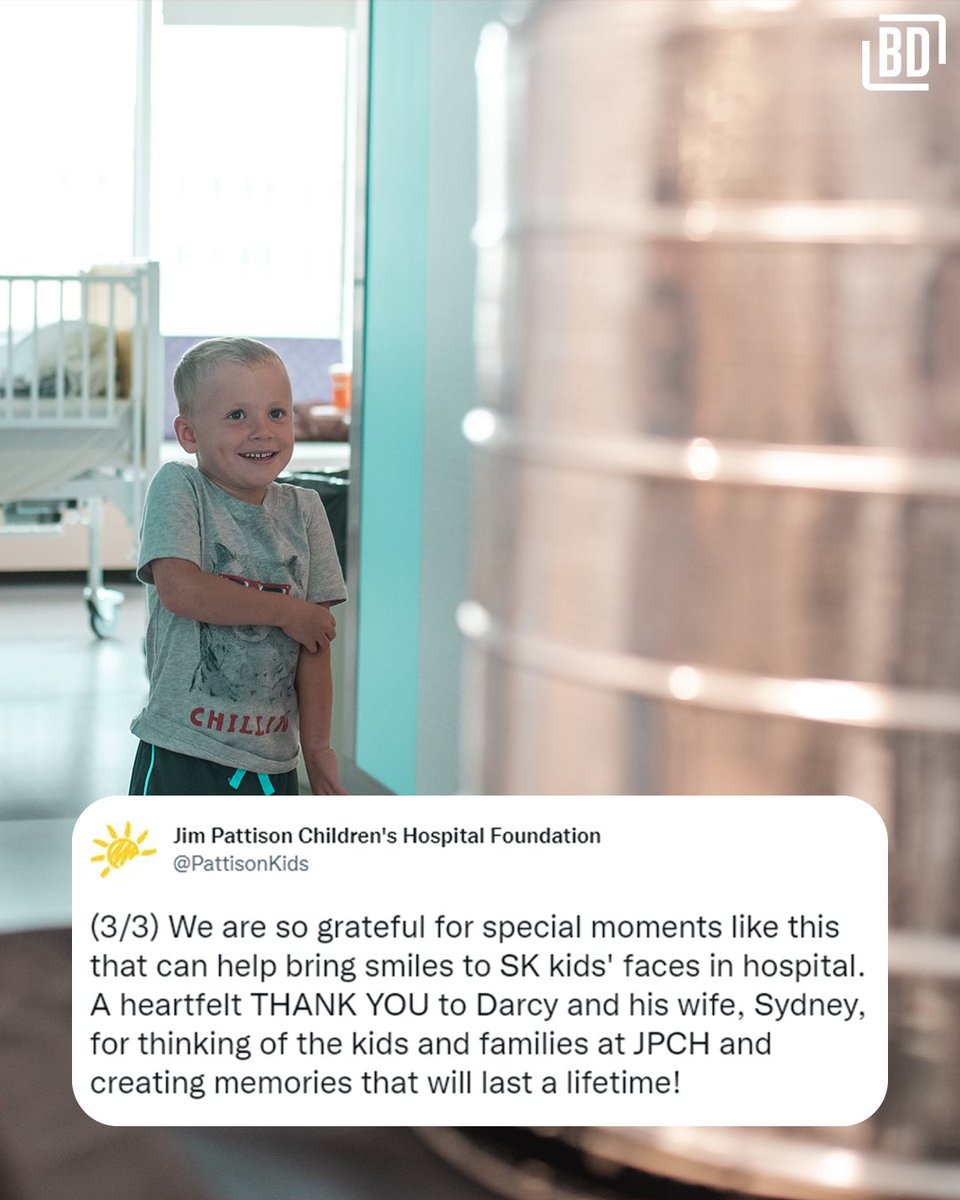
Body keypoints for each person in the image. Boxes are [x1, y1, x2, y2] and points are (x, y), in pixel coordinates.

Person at [128, 337, 348, 796]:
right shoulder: (180, 488)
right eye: (236, 416)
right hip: (182, 751)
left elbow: (315, 641)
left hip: (273, 762)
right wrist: (288, 612)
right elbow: (182, 591)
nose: (261, 431)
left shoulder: (306, 511)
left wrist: (319, 752)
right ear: (189, 434)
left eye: (276, 413)